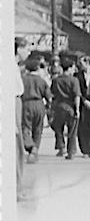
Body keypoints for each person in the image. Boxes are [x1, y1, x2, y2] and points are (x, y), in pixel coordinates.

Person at [21, 58, 52, 163]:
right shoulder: (41, 81)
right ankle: (35, 150)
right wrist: (48, 106)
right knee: (38, 129)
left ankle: (30, 146)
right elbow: (49, 97)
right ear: (38, 68)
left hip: (26, 104)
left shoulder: (23, 79)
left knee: (25, 128)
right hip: (39, 104)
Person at [51, 58, 81, 160]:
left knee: (58, 128)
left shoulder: (56, 80)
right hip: (70, 107)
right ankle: (71, 152)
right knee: (72, 130)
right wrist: (77, 109)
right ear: (69, 68)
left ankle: (61, 147)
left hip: (59, 106)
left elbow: (52, 94)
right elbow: (77, 95)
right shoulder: (74, 80)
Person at [15, 37, 30, 198]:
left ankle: (17, 187)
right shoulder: (10, 67)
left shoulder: (15, 67)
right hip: (14, 104)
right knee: (16, 148)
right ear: (18, 49)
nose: (28, 52)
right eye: (26, 48)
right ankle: (16, 189)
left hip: (18, 103)